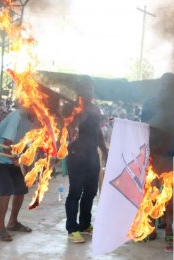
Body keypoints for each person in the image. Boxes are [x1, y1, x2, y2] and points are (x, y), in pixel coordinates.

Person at [141, 73, 174, 246]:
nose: (166, 86)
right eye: (164, 82)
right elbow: (142, 127)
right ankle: (150, 229)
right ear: (161, 84)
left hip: (171, 155)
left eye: (169, 83)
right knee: (149, 192)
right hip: (152, 155)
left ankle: (169, 231)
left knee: (169, 196)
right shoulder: (149, 104)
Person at [64, 76, 108, 243]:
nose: (89, 91)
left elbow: (98, 132)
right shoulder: (70, 106)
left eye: (90, 88)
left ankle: (84, 224)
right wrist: (74, 125)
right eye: (85, 88)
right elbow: (70, 125)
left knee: (90, 192)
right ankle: (72, 228)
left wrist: (104, 150)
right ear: (78, 91)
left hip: (92, 156)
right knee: (75, 192)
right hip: (76, 155)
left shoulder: (95, 109)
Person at [0, 108, 36, 241]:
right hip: (0, 157)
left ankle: (12, 222)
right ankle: (0, 227)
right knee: (6, 190)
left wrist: (25, 158)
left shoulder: (34, 120)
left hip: (13, 157)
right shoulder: (17, 116)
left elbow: (27, 143)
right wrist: (14, 159)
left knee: (21, 188)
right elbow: (6, 144)